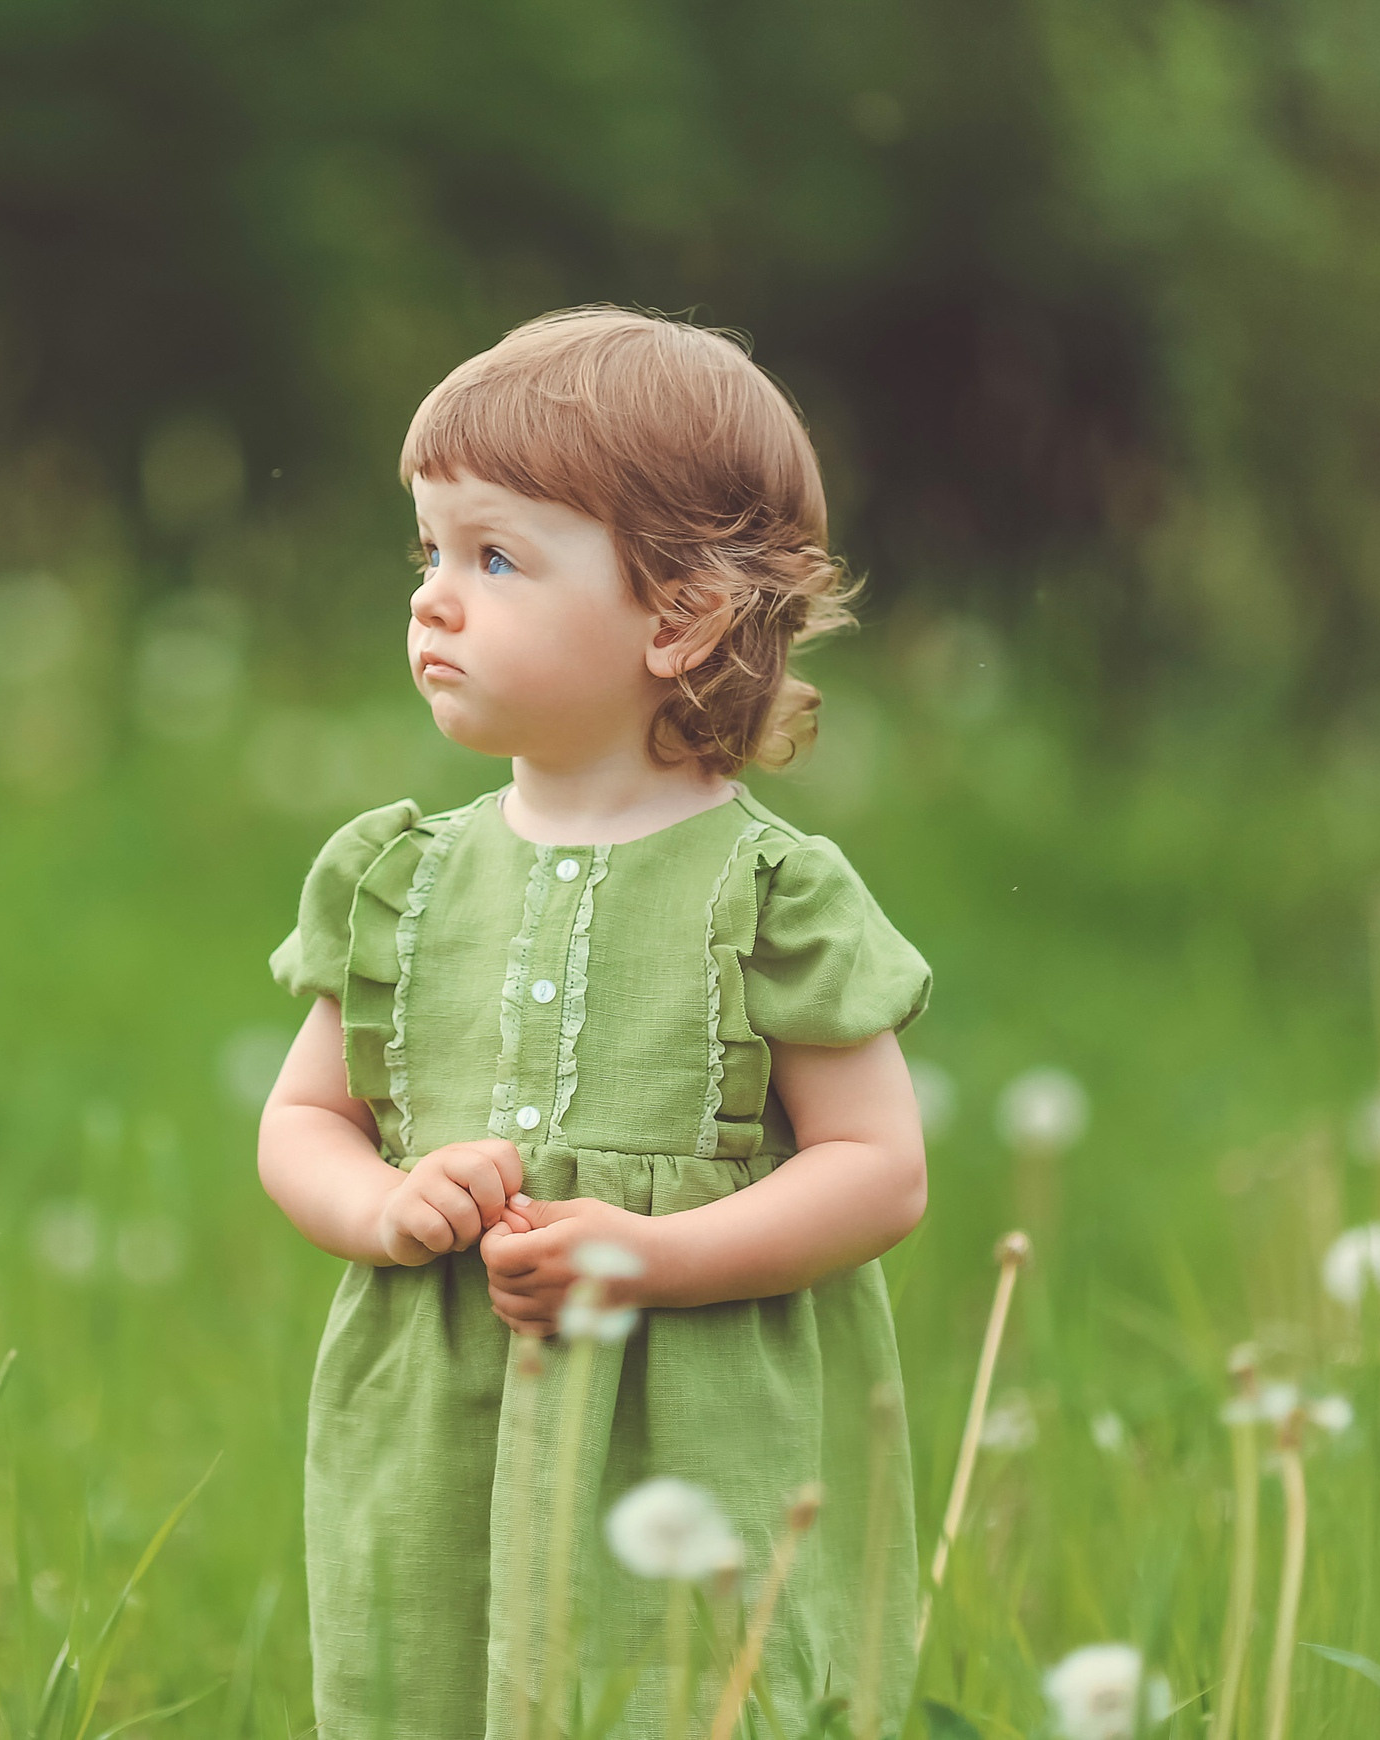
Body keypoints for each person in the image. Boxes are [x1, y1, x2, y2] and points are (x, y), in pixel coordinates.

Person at [258, 305, 935, 1738]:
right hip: (443, 1425)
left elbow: (881, 1170)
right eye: (428, 552)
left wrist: (662, 1254)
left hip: (692, 1433)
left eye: (495, 558)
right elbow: (305, 1119)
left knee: (681, 1700)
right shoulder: (399, 881)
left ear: (680, 619)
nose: (435, 598)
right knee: (424, 1690)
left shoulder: (771, 892)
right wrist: (385, 1207)